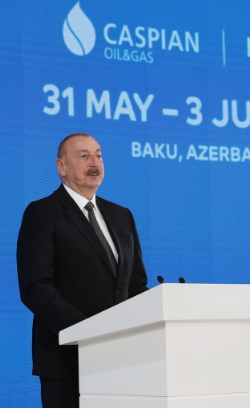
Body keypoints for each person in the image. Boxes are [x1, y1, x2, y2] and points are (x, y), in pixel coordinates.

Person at [16, 133, 149, 408]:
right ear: (61, 166)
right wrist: (88, 333)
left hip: (123, 360)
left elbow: (135, 285)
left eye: (99, 156)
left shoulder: (121, 215)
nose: (94, 163)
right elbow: (36, 287)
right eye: (84, 156)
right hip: (67, 361)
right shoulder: (43, 212)